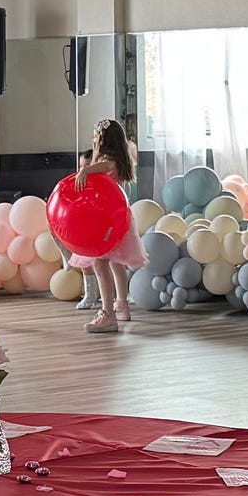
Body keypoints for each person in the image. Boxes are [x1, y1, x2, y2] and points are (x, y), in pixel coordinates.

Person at [80, 117, 141, 334]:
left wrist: (83, 172)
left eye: (96, 135)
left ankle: (107, 313)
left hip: (106, 221)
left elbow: (98, 168)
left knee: (99, 263)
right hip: (118, 218)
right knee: (116, 264)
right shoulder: (120, 161)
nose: (93, 139)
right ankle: (121, 305)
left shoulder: (109, 161)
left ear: (103, 139)